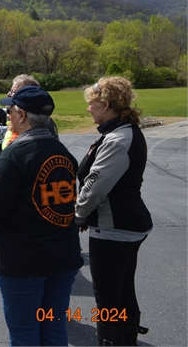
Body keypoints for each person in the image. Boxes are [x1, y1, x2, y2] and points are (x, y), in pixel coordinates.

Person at [0, 85, 83, 346]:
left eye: (11, 111)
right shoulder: (63, 152)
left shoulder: (13, 155)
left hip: (24, 261)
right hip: (63, 257)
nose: (8, 116)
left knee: (24, 334)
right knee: (54, 330)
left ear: (22, 115)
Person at [76, 77, 152, 346]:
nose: (89, 109)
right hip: (126, 224)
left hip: (115, 228)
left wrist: (78, 215)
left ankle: (112, 340)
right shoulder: (123, 132)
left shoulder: (118, 138)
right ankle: (126, 339)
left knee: (108, 298)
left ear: (106, 105)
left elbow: (95, 186)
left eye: (92, 104)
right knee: (122, 291)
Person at [2, 74, 58, 148]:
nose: (8, 95)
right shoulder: (44, 120)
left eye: (13, 92)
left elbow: (9, 149)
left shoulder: (29, 123)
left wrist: (9, 129)